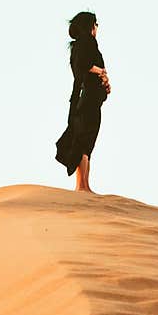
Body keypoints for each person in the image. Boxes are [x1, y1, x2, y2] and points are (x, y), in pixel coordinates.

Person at [55, 11, 111, 193]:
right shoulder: (87, 42)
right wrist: (100, 72)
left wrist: (104, 82)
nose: (97, 28)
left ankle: (84, 185)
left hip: (88, 98)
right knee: (84, 140)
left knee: (86, 141)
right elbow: (83, 65)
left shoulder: (80, 45)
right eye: (95, 24)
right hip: (87, 99)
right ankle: (82, 186)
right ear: (89, 26)